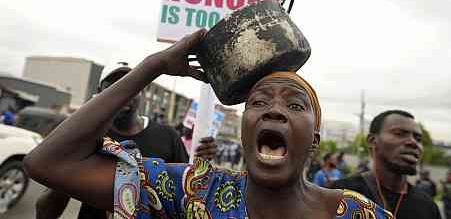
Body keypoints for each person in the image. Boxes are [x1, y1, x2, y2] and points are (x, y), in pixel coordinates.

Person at [24, 29, 391, 219]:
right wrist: (151, 67)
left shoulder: (360, 213)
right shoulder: (194, 192)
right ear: (245, 131)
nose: (273, 111)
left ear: (314, 141)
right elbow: (48, 164)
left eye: (295, 104)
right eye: (258, 102)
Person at [34, 64, 217, 219]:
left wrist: (200, 162)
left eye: (130, 85)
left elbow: (185, 191)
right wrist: (68, 169)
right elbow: (45, 213)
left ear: (142, 92)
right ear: (100, 94)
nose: (123, 93)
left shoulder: (167, 136)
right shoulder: (88, 138)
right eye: (114, 87)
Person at [329, 110, 442, 219]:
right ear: (372, 140)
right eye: (399, 133)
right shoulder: (339, 194)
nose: (413, 143)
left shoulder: (428, 207)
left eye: (418, 139)